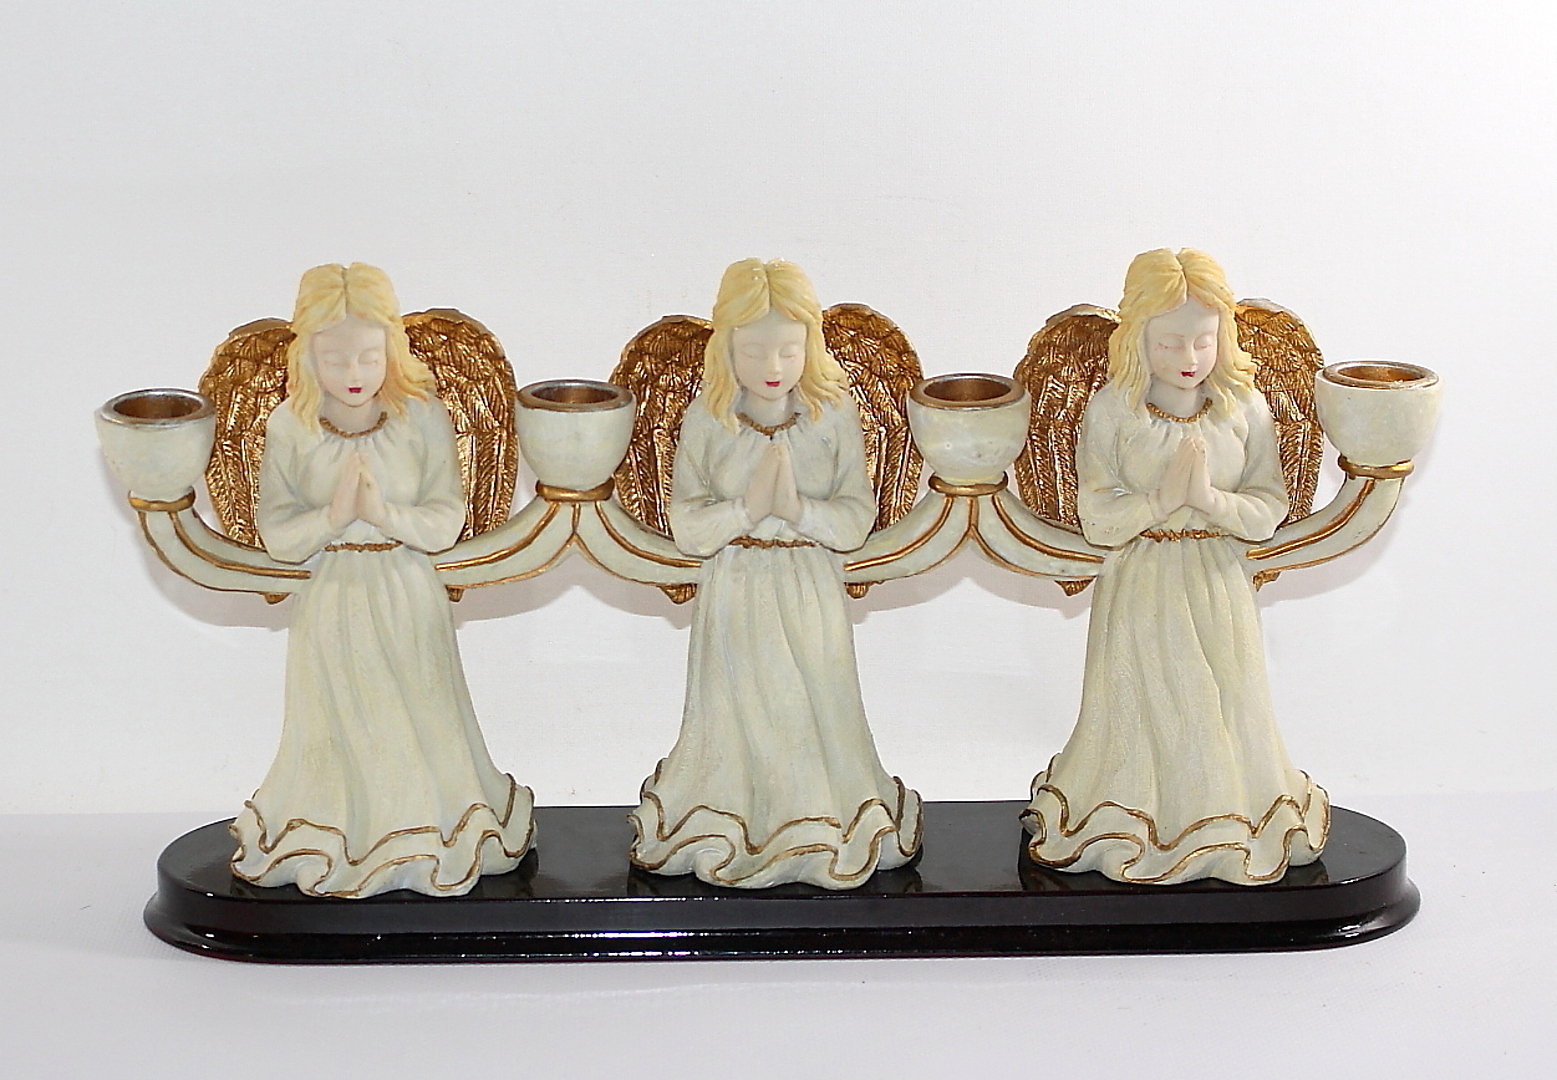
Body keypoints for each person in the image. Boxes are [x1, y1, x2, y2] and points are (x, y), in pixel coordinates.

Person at [1022, 249, 1328, 885]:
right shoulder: (1115, 411)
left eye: (1203, 341)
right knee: (1147, 700)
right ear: (1137, 338)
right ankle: (1135, 815)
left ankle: (1221, 815)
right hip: (1142, 582)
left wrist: (1211, 501)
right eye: (1169, 343)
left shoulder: (1243, 409)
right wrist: (1161, 500)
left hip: (1218, 582)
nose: (1189, 357)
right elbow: (1096, 516)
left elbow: (1270, 508)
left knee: (1221, 698)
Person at [229, 263, 533, 898]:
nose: (354, 373)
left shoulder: (420, 417)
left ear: (391, 350)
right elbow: (277, 533)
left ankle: (427, 829)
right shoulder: (290, 426)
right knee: (339, 720)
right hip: (331, 598)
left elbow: (445, 520)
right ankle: (342, 832)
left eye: (368, 357)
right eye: (335, 359)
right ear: (307, 357)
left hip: (406, 591)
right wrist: (334, 516)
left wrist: (382, 513)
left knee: (418, 710)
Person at [629, 259, 922, 889]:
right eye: (755, 350)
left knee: (812, 699)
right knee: (739, 708)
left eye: (789, 350)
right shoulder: (709, 419)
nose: (773, 366)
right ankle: (735, 817)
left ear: (810, 346)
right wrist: (745, 509)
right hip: (735, 588)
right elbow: (687, 525)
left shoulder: (832, 415)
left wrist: (796, 510)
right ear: (726, 348)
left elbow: (856, 518)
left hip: (808, 586)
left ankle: (818, 815)